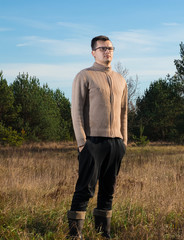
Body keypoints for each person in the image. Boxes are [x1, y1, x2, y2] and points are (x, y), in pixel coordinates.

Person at [67, 35, 127, 239]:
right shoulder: (84, 76)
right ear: (93, 52)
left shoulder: (120, 79)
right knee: (85, 189)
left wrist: (124, 141)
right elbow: (76, 110)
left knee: (108, 191)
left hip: (115, 143)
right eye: (102, 48)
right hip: (92, 142)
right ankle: (75, 235)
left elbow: (124, 113)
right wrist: (82, 142)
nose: (107, 51)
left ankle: (104, 234)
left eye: (110, 48)